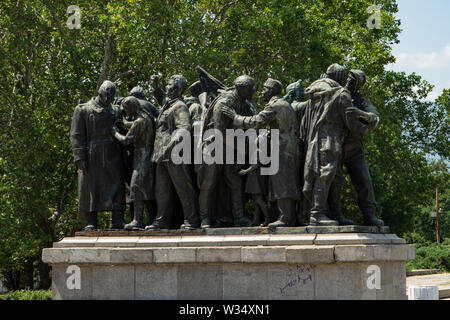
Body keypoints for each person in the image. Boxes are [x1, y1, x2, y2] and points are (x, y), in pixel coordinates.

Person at [221, 78, 302, 228]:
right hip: (290, 148)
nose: (261, 92)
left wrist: (234, 116)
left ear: (271, 91)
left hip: (282, 149)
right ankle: (285, 216)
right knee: (285, 181)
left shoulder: (274, 106)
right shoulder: (285, 104)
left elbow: (255, 122)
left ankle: (286, 218)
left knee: (282, 182)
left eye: (264, 89)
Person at [300, 64, 370, 226]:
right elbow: (351, 121)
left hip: (313, 138)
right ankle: (317, 214)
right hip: (330, 139)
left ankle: (335, 214)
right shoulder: (340, 93)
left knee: (334, 178)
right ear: (339, 76)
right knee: (325, 175)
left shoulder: (313, 93)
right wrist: (367, 125)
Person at [197, 75, 256, 228]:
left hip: (230, 149)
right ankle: (205, 219)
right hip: (215, 148)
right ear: (241, 88)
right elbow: (219, 133)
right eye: (250, 88)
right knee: (209, 183)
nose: (253, 91)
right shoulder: (225, 102)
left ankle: (239, 217)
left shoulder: (243, 102)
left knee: (235, 183)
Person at [328, 70, 384, 226]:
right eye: (349, 78)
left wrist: (361, 114)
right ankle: (335, 214)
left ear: (360, 84)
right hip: (335, 145)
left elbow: (375, 118)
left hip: (354, 148)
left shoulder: (361, 100)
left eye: (354, 80)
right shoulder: (336, 95)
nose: (350, 82)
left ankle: (369, 214)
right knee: (334, 182)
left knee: (364, 179)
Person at [146, 74, 201, 230]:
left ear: (177, 88)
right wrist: (155, 87)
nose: (167, 87)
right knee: (161, 190)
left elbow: (184, 128)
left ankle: (192, 219)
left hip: (174, 153)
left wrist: (169, 147)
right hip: (161, 155)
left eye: (169, 84)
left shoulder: (179, 106)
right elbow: (161, 97)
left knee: (183, 187)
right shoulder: (168, 104)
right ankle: (161, 221)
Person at [70, 80, 126, 230]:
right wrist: (79, 157)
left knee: (117, 185)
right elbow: (76, 135)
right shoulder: (83, 109)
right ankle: (91, 220)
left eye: (111, 96)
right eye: (106, 95)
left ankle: (117, 219)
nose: (108, 99)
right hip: (92, 153)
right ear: (100, 93)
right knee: (90, 186)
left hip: (113, 153)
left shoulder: (116, 110)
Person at [111, 96, 156, 229]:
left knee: (135, 187)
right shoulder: (145, 117)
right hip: (146, 155)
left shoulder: (139, 122)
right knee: (145, 188)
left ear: (131, 107)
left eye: (126, 109)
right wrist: (124, 123)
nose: (125, 111)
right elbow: (133, 124)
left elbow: (126, 140)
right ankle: (147, 218)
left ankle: (137, 220)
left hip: (142, 155)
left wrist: (114, 132)